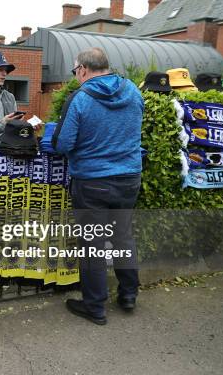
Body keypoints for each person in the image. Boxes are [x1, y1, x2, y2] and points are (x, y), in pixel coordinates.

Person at [52, 47, 144, 325]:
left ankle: (95, 307)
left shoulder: (79, 99)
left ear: (82, 69)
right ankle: (128, 295)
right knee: (123, 237)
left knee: (92, 245)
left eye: (75, 71)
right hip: (129, 178)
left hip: (92, 181)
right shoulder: (133, 92)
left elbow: (63, 144)